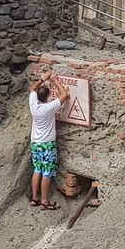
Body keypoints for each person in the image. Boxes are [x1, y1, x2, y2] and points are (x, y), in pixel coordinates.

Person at [29, 69, 70, 210]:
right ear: (48, 97)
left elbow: (33, 88)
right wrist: (55, 80)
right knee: (46, 172)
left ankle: (35, 198)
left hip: (35, 143)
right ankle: (45, 201)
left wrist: (43, 79)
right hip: (47, 144)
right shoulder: (49, 108)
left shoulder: (33, 105)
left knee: (37, 170)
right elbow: (65, 95)